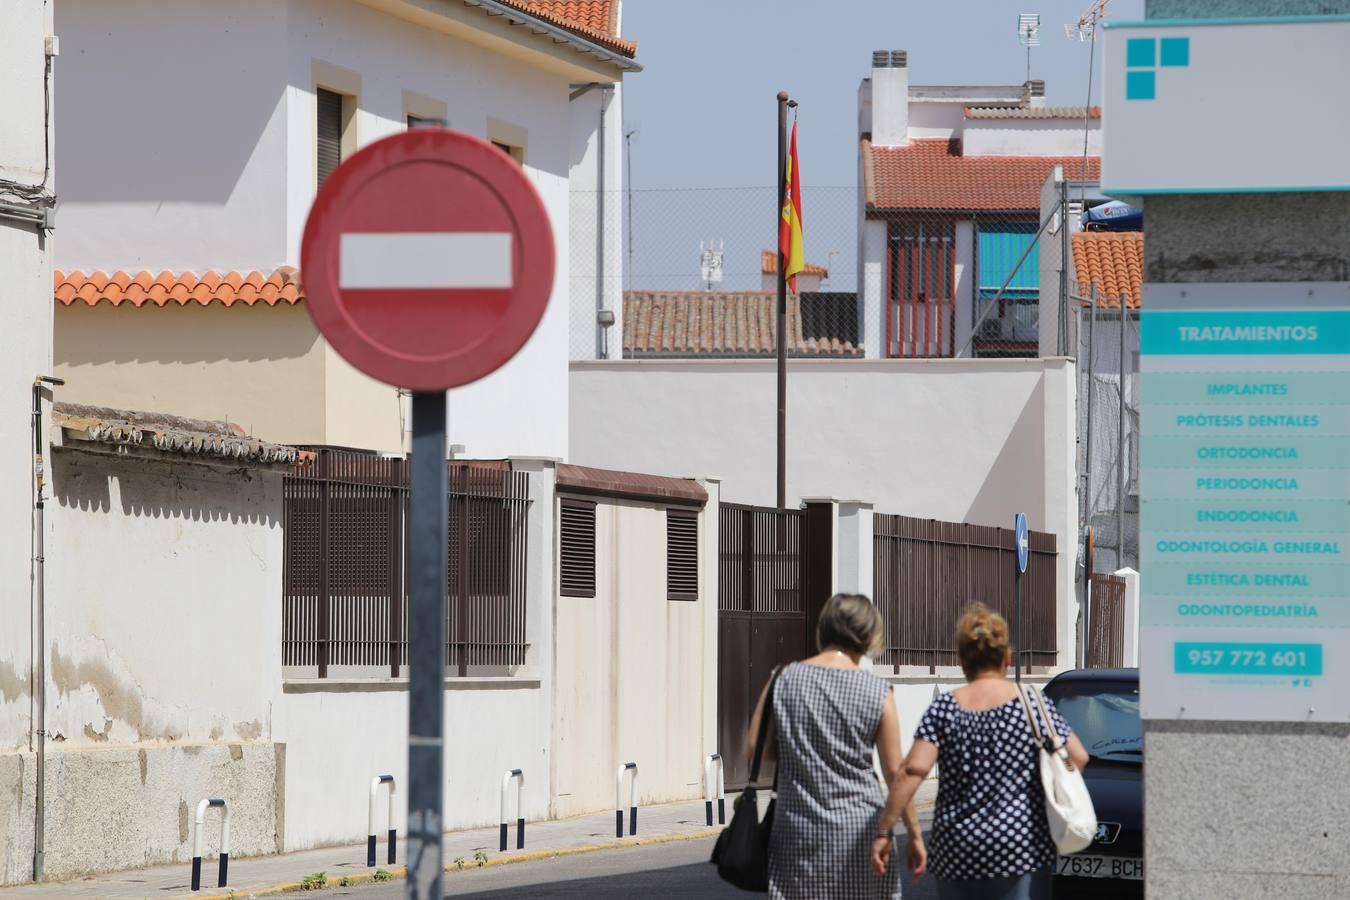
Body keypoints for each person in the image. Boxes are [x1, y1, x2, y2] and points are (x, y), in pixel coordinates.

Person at [888, 604, 1089, 900]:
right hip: (1022, 845)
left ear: (962, 661)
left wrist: (887, 831)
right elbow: (1078, 757)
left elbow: (912, 770)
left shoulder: (944, 708)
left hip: (957, 849)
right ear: (1007, 658)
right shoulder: (1033, 704)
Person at [748, 593, 926, 900]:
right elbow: (895, 770)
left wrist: (799, 748)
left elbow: (754, 749)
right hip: (859, 831)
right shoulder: (878, 692)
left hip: (797, 831)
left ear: (824, 629)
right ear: (869, 636)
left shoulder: (783, 678)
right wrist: (913, 832)